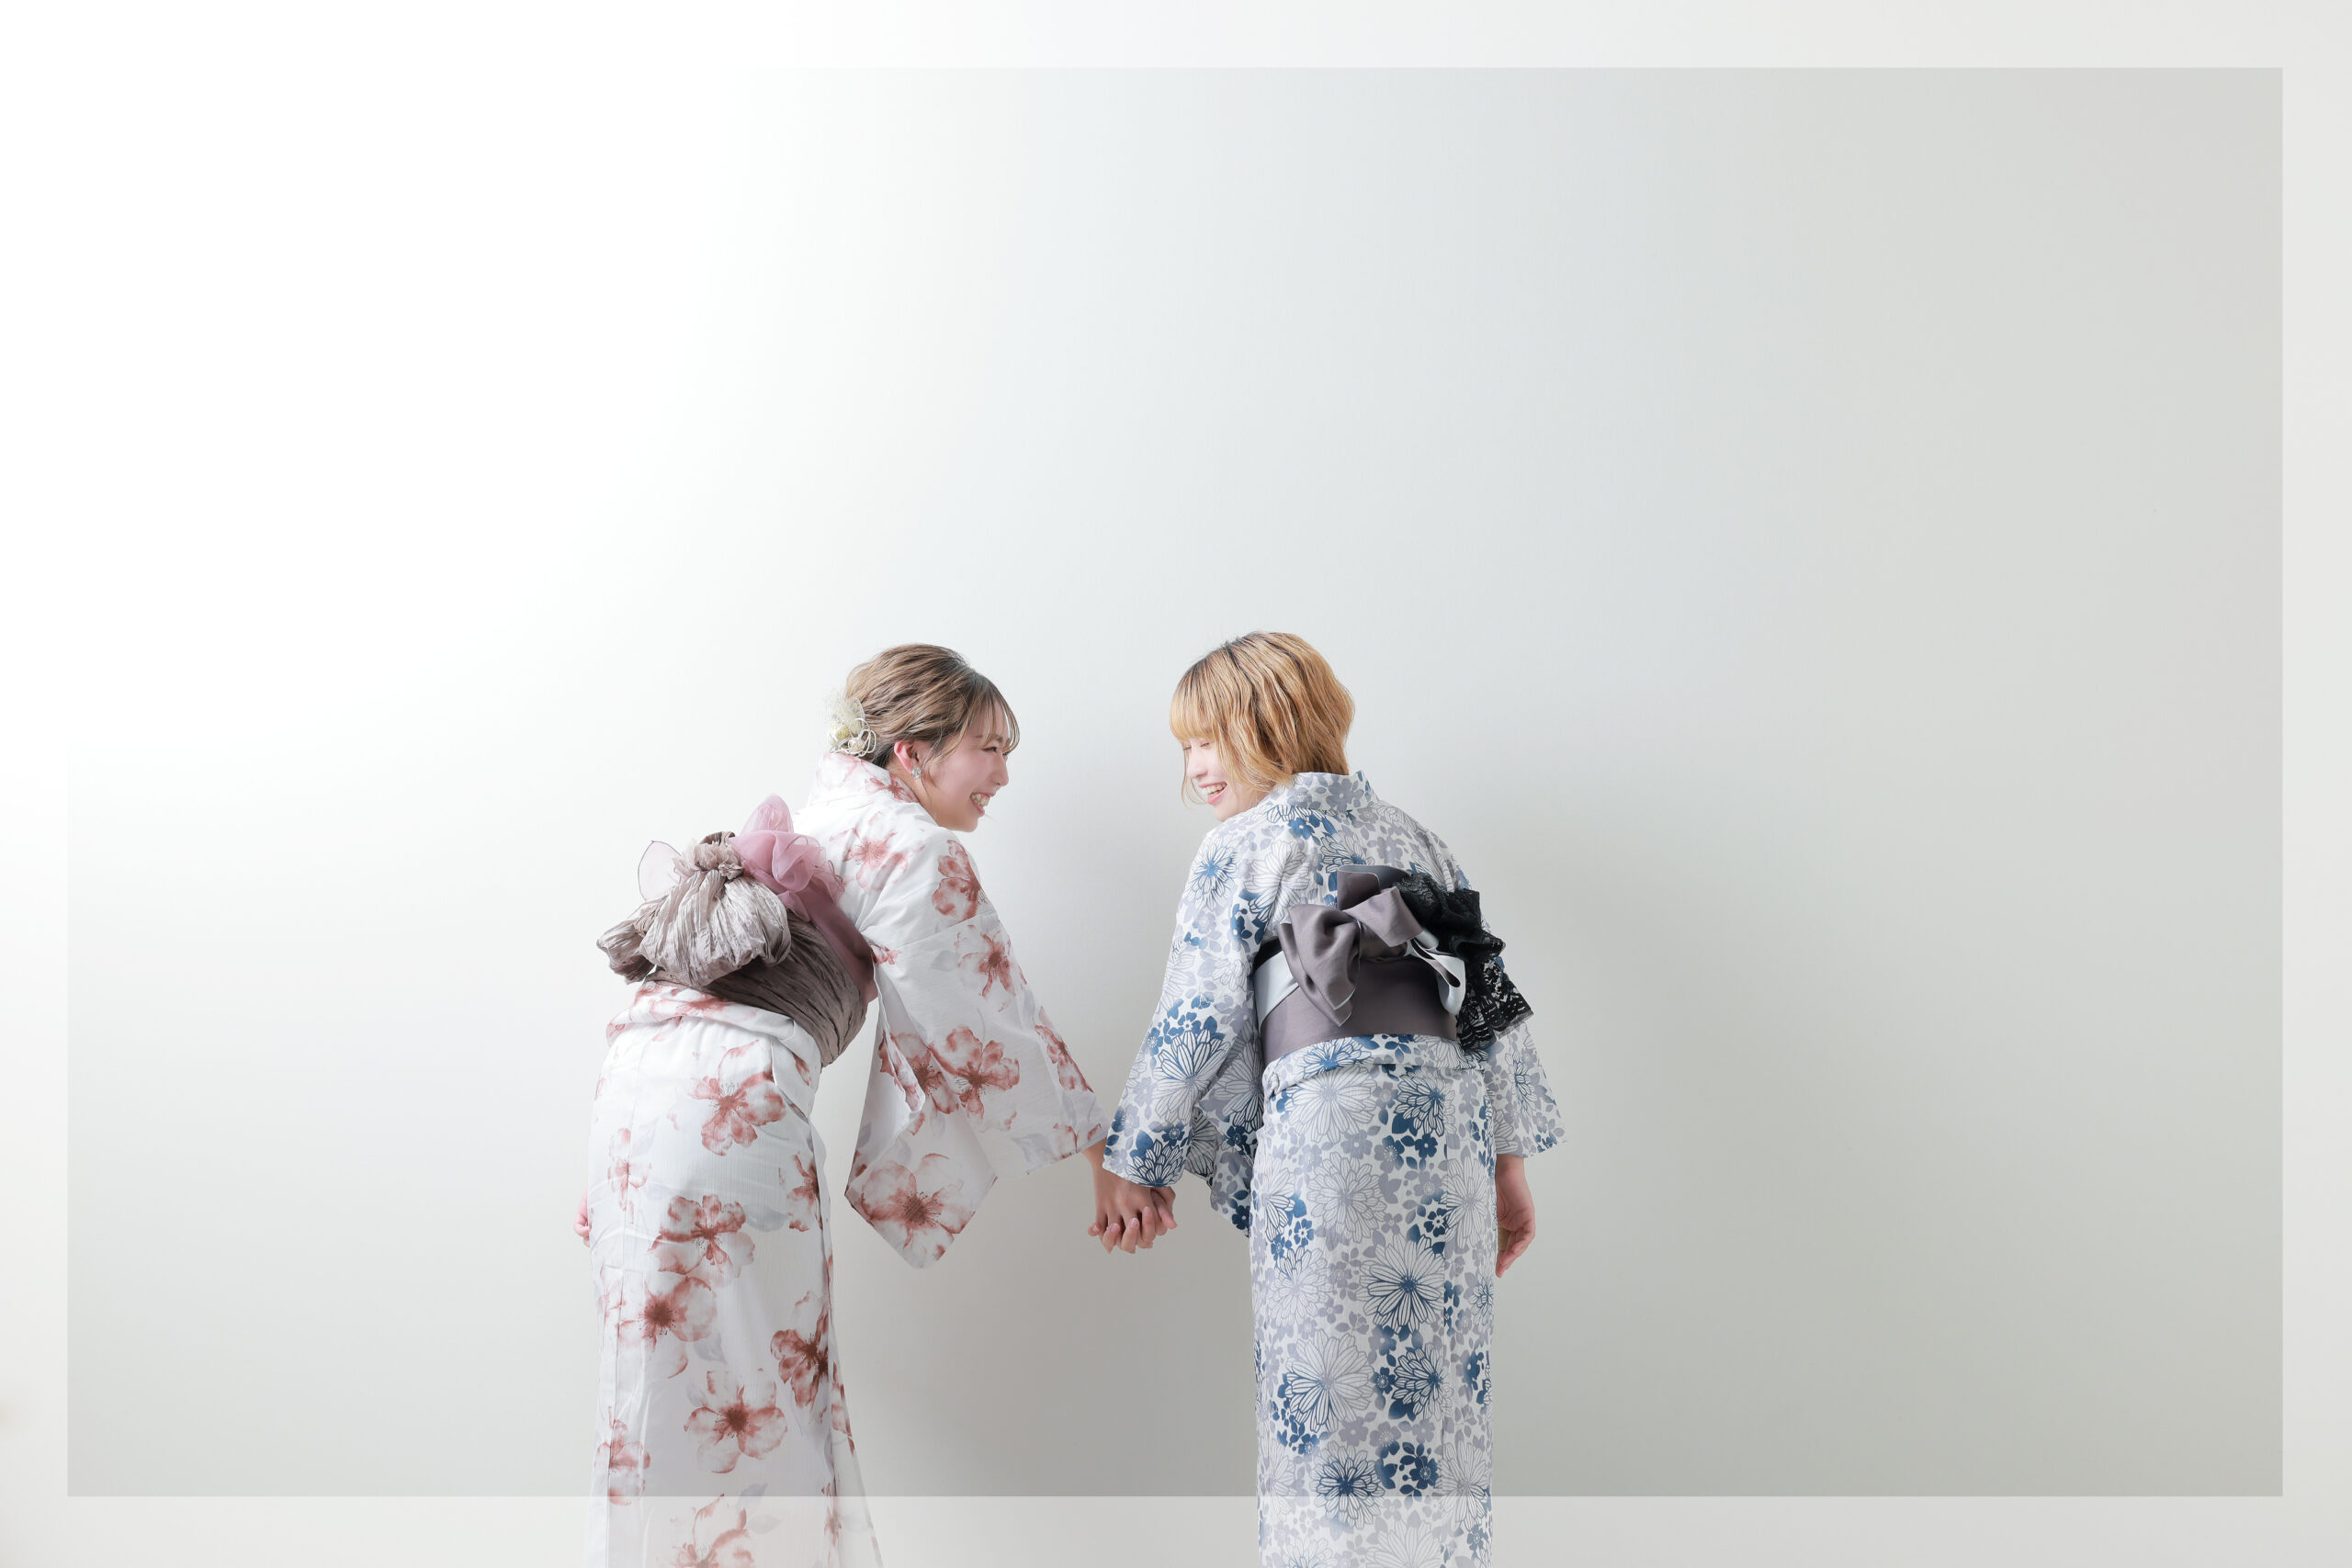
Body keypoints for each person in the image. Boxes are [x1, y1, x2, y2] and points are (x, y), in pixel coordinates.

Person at [579, 644, 1115, 1568]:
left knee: (652, 1391)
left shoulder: (819, 817)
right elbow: (986, 1015)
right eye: (988, 748)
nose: (1003, 774)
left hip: (630, 1109)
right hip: (730, 1112)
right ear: (911, 752)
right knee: (762, 1394)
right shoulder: (910, 844)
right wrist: (1101, 1151)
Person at [1095, 631, 1564, 1568]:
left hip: (1333, 1133)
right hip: (1447, 1137)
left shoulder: (1241, 845)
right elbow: (1488, 1009)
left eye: (1205, 740)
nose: (1193, 770)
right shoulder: (1420, 840)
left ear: (1266, 725)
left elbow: (1198, 1009)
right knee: (1438, 1395)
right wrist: (1507, 1166)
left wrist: (1133, 1159)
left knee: (1327, 1390)